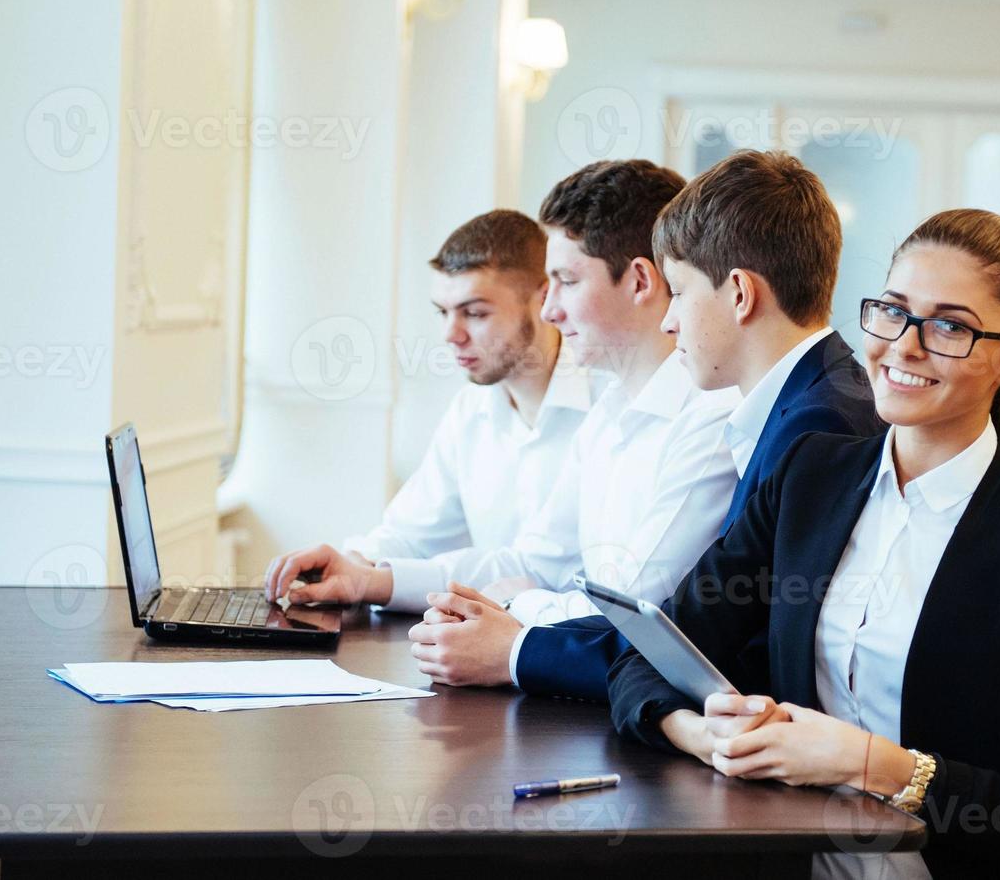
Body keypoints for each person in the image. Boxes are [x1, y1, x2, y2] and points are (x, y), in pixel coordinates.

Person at [607, 209, 1000, 880]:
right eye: (893, 311)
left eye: (950, 326)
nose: (904, 347)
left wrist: (870, 764)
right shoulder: (809, 476)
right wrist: (702, 736)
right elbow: (643, 656)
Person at [269, 160, 742, 688]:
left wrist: (514, 601)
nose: (551, 310)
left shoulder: (709, 415)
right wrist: (369, 579)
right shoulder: (610, 415)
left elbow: (632, 617)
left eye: (564, 281)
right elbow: (532, 560)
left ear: (637, 281)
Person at [483, 150, 885, 699]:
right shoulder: (804, 402)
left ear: (740, 295)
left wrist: (515, 648)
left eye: (679, 292)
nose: (669, 321)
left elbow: (706, 638)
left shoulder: (817, 425)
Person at [262, 209, 603, 606]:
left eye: (475, 313)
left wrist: (370, 582)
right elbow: (411, 533)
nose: (450, 335)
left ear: (544, 298)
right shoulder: (471, 408)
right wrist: (351, 562)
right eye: (443, 312)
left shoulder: (607, 405)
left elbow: (535, 569)